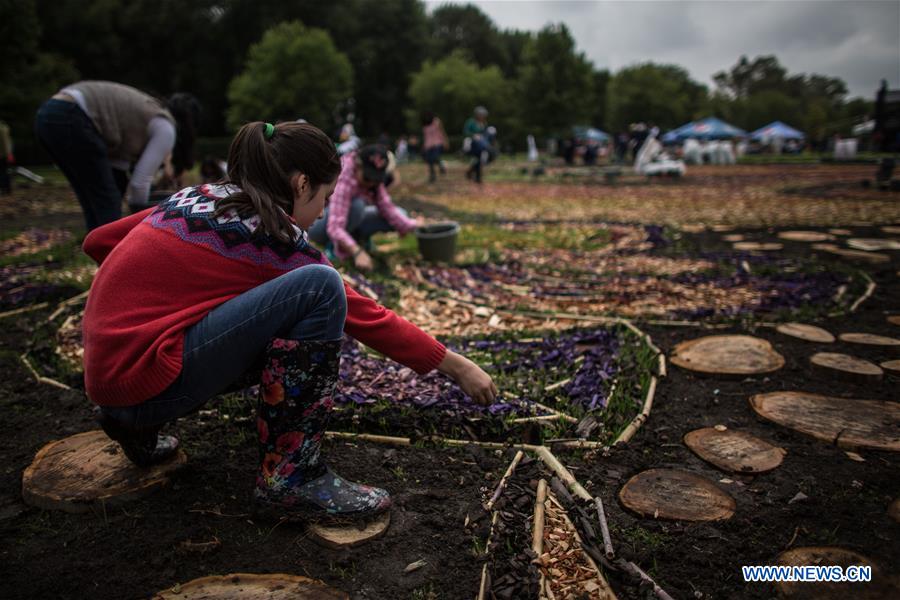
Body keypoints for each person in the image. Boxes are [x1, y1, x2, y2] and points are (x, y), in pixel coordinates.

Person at [83, 121, 497, 524]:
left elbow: (98, 241)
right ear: (301, 185)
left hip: (112, 378)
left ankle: (133, 424)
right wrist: (456, 365)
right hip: (145, 380)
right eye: (325, 197)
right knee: (321, 286)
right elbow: (367, 315)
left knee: (276, 309)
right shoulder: (271, 237)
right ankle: (292, 477)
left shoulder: (198, 197)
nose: (321, 213)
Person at [34, 81, 200, 231]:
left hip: (48, 115)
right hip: (71, 114)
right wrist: (144, 225)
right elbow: (139, 183)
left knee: (96, 196)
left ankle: (96, 246)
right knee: (107, 198)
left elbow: (120, 173)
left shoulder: (142, 116)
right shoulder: (166, 126)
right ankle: (110, 254)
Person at [308, 144, 418, 271]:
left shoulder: (373, 184)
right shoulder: (344, 177)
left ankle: (356, 239)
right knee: (357, 206)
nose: (371, 183)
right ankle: (335, 247)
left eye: (375, 179)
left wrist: (414, 226)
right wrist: (357, 252)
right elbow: (335, 227)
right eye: (367, 178)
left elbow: (388, 208)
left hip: (347, 220)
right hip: (319, 225)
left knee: (401, 213)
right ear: (358, 166)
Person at [463, 106, 491, 183]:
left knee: (481, 160)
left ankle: (472, 173)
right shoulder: (471, 122)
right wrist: (474, 135)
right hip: (473, 145)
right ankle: (477, 177)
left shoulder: (484, 123)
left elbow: (486, 135)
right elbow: (466, 133)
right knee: (480, 159)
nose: (482, 117)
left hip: (482, 145)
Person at [421, 111, 448, 183]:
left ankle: (442, 165)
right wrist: (424, 146)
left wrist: (445, 141)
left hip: (437, 143)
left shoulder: (436, 121)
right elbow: (425, 136)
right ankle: (432, 175)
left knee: (435, 157)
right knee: (430, 161)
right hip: (428, 145)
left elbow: (442, 131)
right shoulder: (424, 125)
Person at [0, 120, 12, 195]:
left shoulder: (2, 129)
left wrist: (8, 153)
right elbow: (7, 142)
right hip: (4, 153)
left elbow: (5, 142)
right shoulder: (3, 128)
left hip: (2, 154)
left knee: (3, 171)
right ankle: (6, 188)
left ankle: (5, 188)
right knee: (4, 171)